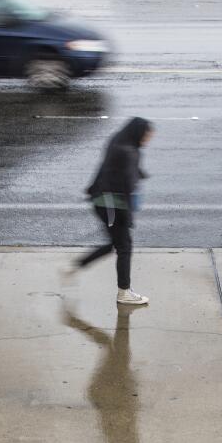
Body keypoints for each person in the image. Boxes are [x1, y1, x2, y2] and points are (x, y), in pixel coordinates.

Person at [66, 117, 153, 306]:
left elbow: (108, 167)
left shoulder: (119, 140)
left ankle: (75, 267)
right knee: (124, 246)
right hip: (111, 205)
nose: (148, 139)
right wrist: (129, 217)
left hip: (103, 201)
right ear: (138, 132)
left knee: (114, 244)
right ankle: (124, 292)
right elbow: (128, 186)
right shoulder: (128, 151)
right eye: (147, 135)